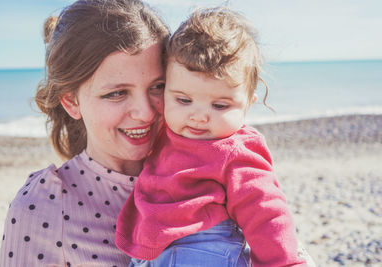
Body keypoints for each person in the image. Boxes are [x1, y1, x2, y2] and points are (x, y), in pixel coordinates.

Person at [115, 7, 309, 266]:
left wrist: (282, 262)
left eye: (219, 106)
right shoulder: (166, 129)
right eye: (183, 100)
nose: (199, 116)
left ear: (248, 104)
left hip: (205, 249)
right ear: (166, 90)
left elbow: (265, 211)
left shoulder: (236, 150)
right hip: (150, 251)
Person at [0, 0, 169, 266]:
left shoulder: (207, 176)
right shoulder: (44, 206)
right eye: (117, 93)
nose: (145, 112)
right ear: (71, 102)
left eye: (158, 86)